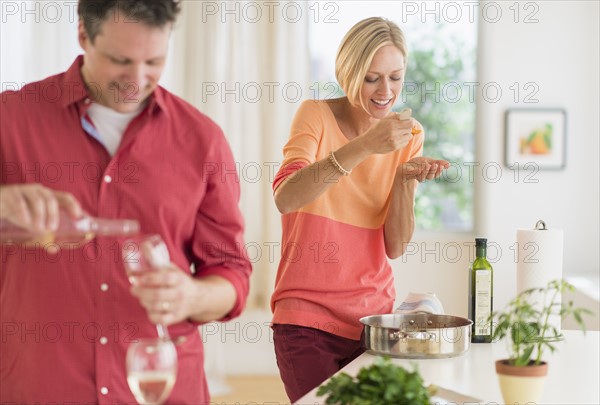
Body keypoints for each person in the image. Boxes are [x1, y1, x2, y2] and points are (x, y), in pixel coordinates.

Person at [0, 1, 252, 403]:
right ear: (83, 35)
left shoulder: (202, 139)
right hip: (41, 385)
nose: (137, 79)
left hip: (162, 388)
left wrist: (192, 295)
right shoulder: (10, 119)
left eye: (154, 61)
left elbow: (232, 273)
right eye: (120, 60)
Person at [270, 17, 450, 402]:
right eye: (372, 78)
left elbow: (395, 246)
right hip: (305, 321)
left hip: (374, 322)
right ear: (349, 73)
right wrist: (367, 145)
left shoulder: (408, 134)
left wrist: (404, 180)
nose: (386, 91)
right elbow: (286, 196)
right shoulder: (315, 114)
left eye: (396, 77)